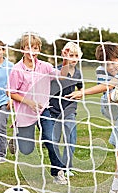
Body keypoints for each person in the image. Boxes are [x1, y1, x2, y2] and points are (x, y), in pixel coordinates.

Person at [67, 42, 118, 193]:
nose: (109, 67)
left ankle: (115, 189)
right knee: (109, 96)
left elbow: (108, 85)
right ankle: (114, 97)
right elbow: (103, 86)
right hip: (108, 107)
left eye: (112, 63)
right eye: (105, 64)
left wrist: (83, 92)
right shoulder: (100, 71)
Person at [7, 33, 70, 184]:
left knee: (50, 139)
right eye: (28, 47)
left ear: (39, 50)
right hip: (25, 112)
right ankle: (16, 139)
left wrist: (65, 59)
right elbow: (10, 92)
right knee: (26, 149)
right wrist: (28, 102)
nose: (32, 51)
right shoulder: (17, 69)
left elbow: (62, 75)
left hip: (44, 110)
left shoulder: (45, 67)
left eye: (35, 48)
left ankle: (58, 172)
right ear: (22, 49)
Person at [50, 42, 84, 177]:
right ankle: (58, 167)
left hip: (69, 109)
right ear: (65, 55)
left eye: (76, 56)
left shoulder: (78, 73)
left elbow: (80, 88)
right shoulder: (56, 70)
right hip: (54, 110)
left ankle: (67, 167)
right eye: (71, 55)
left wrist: (80, 93)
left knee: (70, 138)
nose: (74, 59)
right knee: (54, 140)